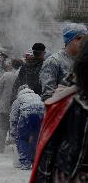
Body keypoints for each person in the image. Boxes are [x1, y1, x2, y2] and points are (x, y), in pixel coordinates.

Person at [30, 35, 88, 183]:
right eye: (78, 37)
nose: (80, 42)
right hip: (70, 173)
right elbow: (48, 155)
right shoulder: (53, 61)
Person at [40, 23, 87, 101]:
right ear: (68, 40)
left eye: (85, 39)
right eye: (79, 38)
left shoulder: (83, 62)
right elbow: (47, 96)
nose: (82, 42)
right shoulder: (53, 61)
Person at [10, 85, 44, 170]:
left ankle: (25, 162)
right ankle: (35, 161)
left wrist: (13, 134)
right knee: (36, 139)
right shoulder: (37, 96)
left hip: (27, 114)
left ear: (19, 92)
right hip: (40, 115)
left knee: (22, 138)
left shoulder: (19, 99)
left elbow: (13, 117)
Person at [0, 58, 23, 153]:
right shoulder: (22, 75)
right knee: (16, 128)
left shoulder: (6, 75)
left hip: (4, 105)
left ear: (12, 65)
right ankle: (15, 150)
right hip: (18, 105)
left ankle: (0, 148)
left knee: (3, 127)